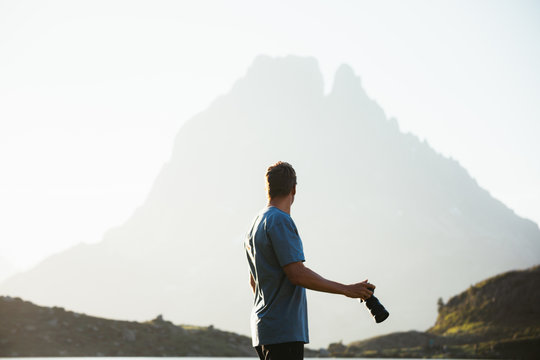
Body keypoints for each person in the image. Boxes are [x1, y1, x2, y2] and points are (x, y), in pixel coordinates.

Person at [244, 161, 375, 360]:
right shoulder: (280, 220)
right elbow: (297, 274)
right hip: (284, 333)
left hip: (263, 331)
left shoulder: (255, 224)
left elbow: (254, 282)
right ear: (294, 188)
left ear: (267, 188)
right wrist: (348, 290)